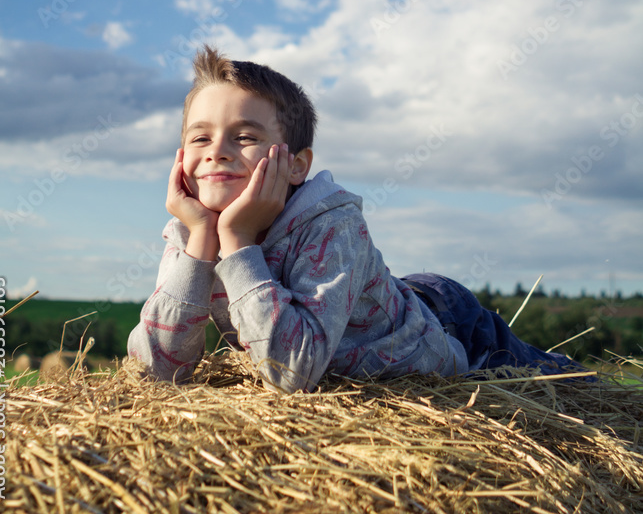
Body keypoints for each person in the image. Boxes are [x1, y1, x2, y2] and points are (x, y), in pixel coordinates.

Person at [128, 46, 587, 392]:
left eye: (244, 136)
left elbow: (292, 373)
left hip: (447, 323)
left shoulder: (331, 223)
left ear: (297, 165)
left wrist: (239, 239)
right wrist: (206, 239)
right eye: (199, 137)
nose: (217, 151)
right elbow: (155, 371)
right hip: (364, 299)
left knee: (570, 385)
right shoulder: (194, 232)